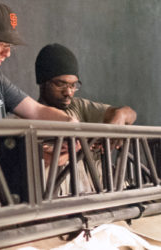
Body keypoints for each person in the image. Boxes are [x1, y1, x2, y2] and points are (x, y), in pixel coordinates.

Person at [35, 43, 137, 194]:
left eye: (73, 85)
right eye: (60, 84)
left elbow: (130, 113)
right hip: (57, 205)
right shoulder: (25, 120)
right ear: (43, 82)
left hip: (96, 201)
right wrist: (79, 147)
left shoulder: (78, 106)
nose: (68, 92)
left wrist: (118, 119)